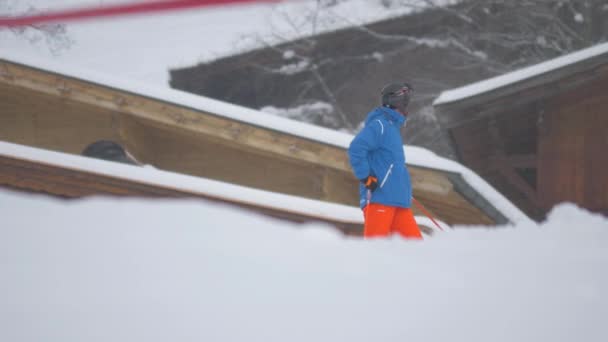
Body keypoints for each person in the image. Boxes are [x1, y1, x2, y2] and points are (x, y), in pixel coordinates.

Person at [347, 82, 422, 239]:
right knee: (376, 250)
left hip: (399, 200)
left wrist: (402, 186)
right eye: (405, 101)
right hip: (379, 198)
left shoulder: (392, 128)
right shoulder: (379, 125)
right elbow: (356, 148)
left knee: (417, 250)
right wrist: (366, 177)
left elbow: (391, 164)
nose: (407, 106)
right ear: (397, 101)